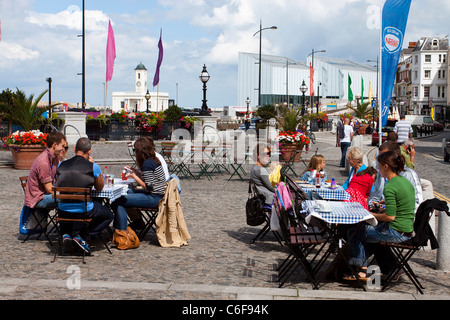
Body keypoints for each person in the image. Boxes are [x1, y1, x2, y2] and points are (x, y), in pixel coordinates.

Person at [345, 150, 415, 280]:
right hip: (407, 228)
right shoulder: (404, 181)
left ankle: (361, 270)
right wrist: (384, 209)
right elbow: (402, 206)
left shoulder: (390, 186)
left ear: (386, 166)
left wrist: (371, 214)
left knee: (354, 233)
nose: (378, 169)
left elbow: (390, 217)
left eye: (379, 166)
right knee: (370, 236)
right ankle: (392, 268)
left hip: (395, 231)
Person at [56, 137, 114, 254]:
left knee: (73, 208)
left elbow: (59, 182)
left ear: (74, 149)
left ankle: (67, 234)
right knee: (108, 215)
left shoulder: (61, 164)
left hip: (63, 209)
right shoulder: (92, 166)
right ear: (89, 152)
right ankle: (82, 237)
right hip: (83, 209)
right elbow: (100, 187)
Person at [112, 137, 167, 232]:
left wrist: (134, 176)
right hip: (159, 195)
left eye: (135, 150)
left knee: (118, 199)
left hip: (155, 198)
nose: (134, 152)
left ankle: (121, 231)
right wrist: (136, 171)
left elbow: (149, 187)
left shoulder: (147, 164)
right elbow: (150, 178)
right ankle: (137, 222)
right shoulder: (153, 160)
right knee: (126, 192)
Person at [368, 141, 423, 211]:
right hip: (382, 212)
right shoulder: (381, 174)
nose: (379, 163)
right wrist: (373, 205)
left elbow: (417, 203)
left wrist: (387, 208)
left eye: (383, 158)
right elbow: (375, 196)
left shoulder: (408, 175)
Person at [24, 131, 67, 210]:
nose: (63, 149)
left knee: (70, 196)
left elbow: (58, 180)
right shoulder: (43, 162)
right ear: (54, 145)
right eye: (62, 146)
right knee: (69, 198)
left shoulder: (54, 158)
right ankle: (66, 221)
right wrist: (66, 194)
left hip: (45, 194)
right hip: (38, 198)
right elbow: (49, 188)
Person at [249, 143, 274, 207]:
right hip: (270, 199)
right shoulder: (261, 170)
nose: (267, 156)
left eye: (268, 153)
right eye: (264, 154)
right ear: (257, 155)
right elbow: (272, 187)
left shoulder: (254, 168)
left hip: (263, 197)